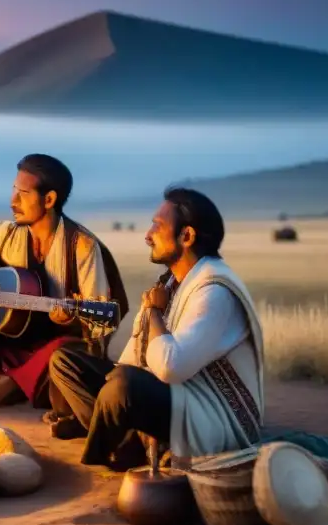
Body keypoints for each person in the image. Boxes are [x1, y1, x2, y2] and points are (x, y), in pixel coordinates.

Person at [47, 187, 264, 471]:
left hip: (215, 418)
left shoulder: (214, 291)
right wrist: (113, 376)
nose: (148, 236)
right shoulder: (172, 283)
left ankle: (112, 447)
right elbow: (133, 359)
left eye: (157, 227)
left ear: (186, 236)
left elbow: (169, 368)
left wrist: (153, 312)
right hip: (175, 395)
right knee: (66, 361)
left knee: (123, 386)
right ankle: (126, 442)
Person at [0, 153, 124, 409]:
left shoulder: (82, 246)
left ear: (49, 199)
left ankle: (9, 382)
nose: (13, 201)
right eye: (13, 191)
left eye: (23, 193)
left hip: (53, 346)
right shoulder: (7, 234)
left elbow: (99, 327)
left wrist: (73, 318)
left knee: (64, 351)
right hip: (17, 340)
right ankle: (14, 382)